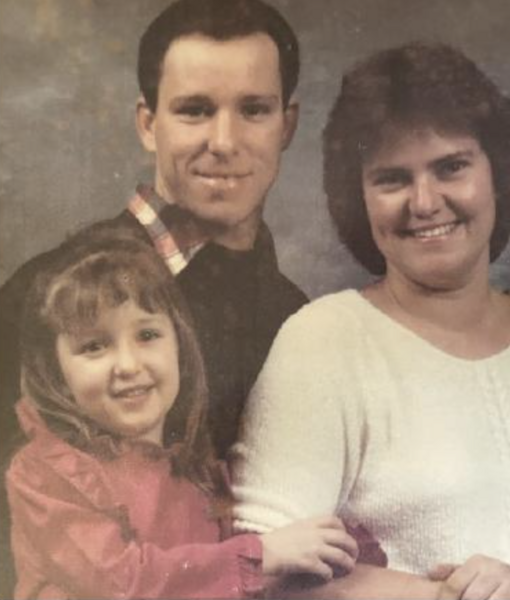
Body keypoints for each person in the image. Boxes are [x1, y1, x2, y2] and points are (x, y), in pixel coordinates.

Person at [232, 42, 510, 600]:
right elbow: (262, 571)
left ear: (497, 173)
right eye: (392, 178)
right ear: (358, 198)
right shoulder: (321, 342)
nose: (425, 202)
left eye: (451, 167)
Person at [0, 0, 306, 592]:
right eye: (194, 110)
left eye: (253, 110)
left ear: (286, 125)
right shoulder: (49, 292)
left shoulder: (295, 314)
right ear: (148, 122)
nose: (224, 140)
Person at [6, 228, 359, 599]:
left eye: (147, 336)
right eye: (94, 346)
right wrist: (263, 555)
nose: (127, 365)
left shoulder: (192, 466)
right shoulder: (47, 474)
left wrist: (334, 543)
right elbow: (123, 583)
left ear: (179, 345)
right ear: (57, 373)